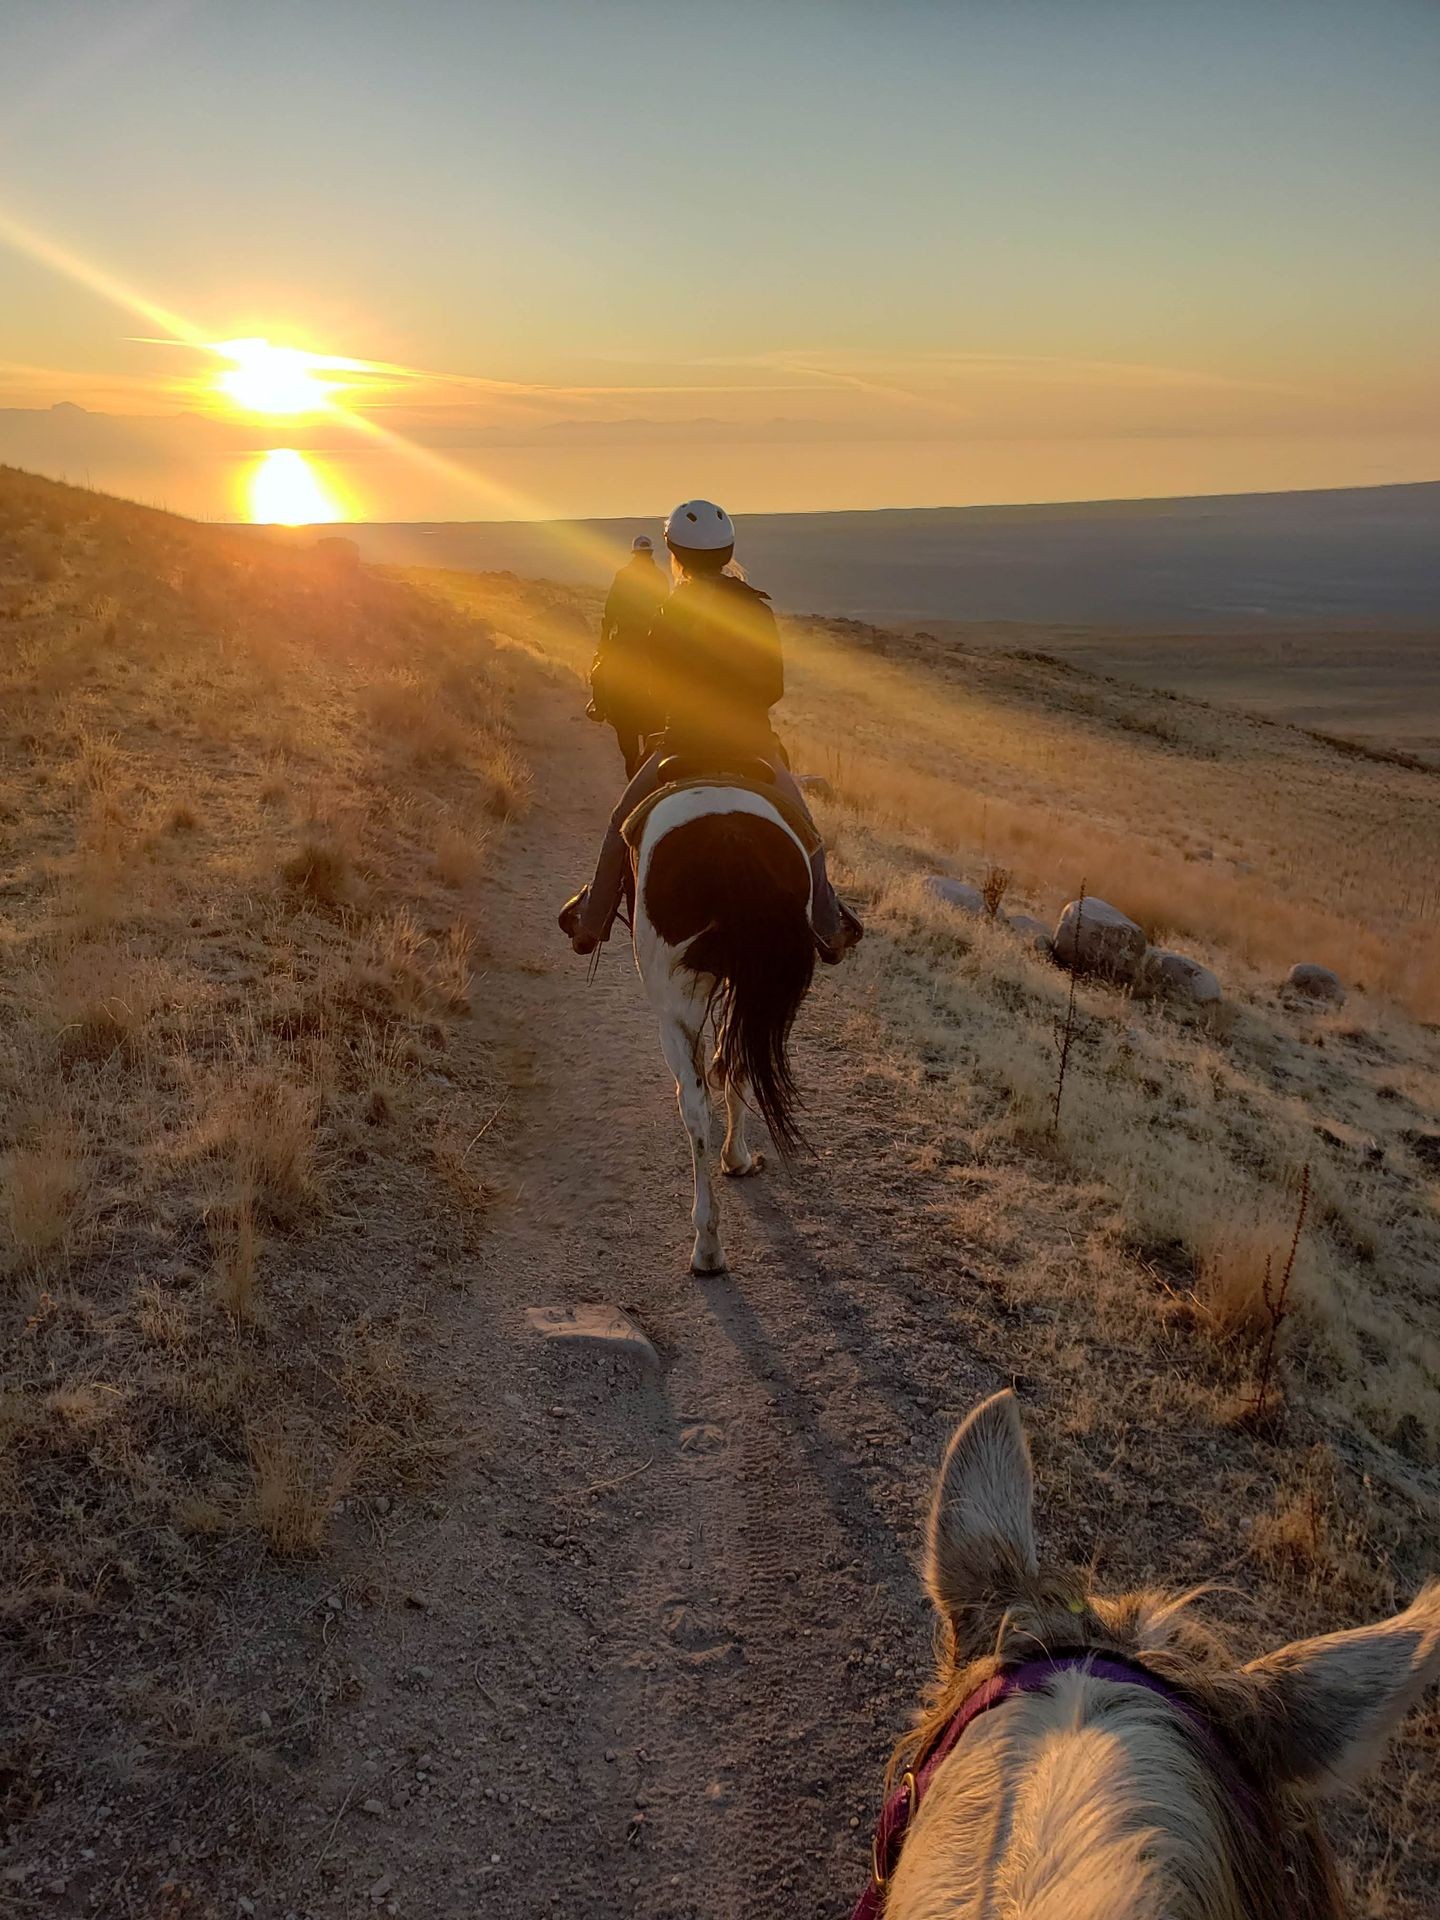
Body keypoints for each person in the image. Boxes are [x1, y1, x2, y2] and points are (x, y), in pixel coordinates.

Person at [559, 499, 863, 963]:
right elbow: (773, 686)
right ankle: (828, 925)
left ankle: (592, 920)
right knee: (806, 831)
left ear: (674, 555)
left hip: (681, 744)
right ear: (727, 552)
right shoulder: (757, 610)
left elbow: (651, 687)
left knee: (622, 822)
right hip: (753, 746)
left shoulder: (667, 612)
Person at [588, 533, 668, 775]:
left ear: (634, 554)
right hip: (653, 641)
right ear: (650, 554)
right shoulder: (660, 577)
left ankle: (599, 707)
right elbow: (667, 608)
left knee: (600, 671)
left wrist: (603, 642)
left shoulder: (623, 575)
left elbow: (610, 609)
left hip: (626, 636)